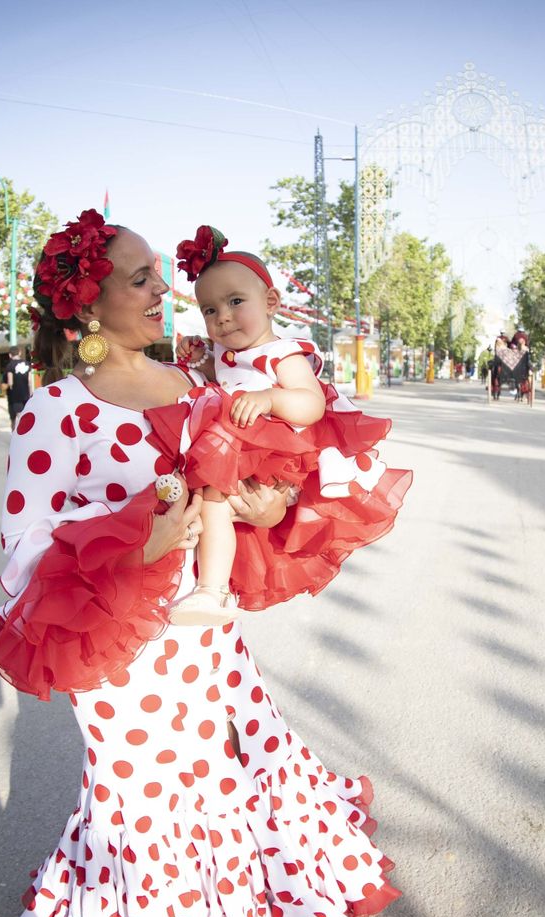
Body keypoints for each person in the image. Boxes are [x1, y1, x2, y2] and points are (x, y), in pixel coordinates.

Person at [0, 211, 397, 917]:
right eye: (140, 279)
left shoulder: (200, 387)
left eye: (161, 275)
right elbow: (20, 551)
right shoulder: (55, 409)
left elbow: (247, 480)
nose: (164, 291)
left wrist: (268, 504)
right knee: (144, 798)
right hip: (121, 648)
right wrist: (141, 535)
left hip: (204, 631)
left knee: (223, 773)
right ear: (87, 305)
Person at [163, 225, 409, 625]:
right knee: (215, 506)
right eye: (209, 310)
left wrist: (271, 398)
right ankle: (215, 588)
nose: (222, 317)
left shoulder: (282, 353)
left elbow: (311, 403)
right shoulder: (228, 353)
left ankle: (212, 589)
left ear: (271, 301)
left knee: (216, 500)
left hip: (274, 452)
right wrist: (197, 356)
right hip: (238, 448)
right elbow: (216, 380)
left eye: (235, 301)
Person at [4, 350, 33, 427]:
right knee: (25, 418)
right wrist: (31, 395)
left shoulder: (10, 366)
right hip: (26, 396)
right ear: (20, 353)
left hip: (14, 397)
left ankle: (14, 436)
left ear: (10, 355)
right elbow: (30, 381)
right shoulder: (27, 364)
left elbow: (10, 383)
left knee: (14, 420)